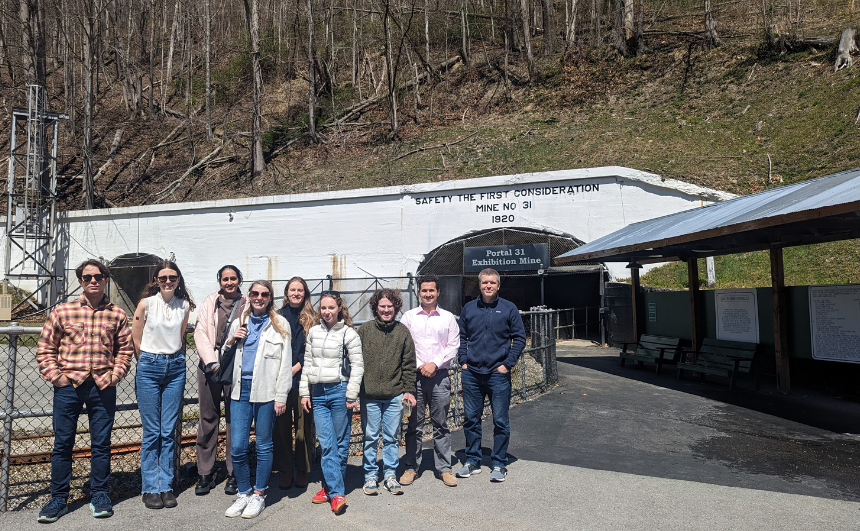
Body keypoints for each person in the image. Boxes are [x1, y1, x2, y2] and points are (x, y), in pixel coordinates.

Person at [35, 259, 134, 523]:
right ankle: (58, 498)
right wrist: (57, 378)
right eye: (88, 276)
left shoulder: (117, 314)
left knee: (101, 444)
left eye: (99, 276)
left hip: (102, 386)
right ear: (80, 280)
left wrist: (116, 375)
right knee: (63, 443)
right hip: (69, 386)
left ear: (106, 280)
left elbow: (125, 349)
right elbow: (45, 348)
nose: (94, 280)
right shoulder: (62, 312)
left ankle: (100, 494)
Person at [223, 280, 293, 519]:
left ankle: (259, 494)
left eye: (264, 294)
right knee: (239, 446)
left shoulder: (279, 324)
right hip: (239, 391)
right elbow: (224, 354)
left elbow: (285, 363)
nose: (259, 297)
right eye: (255, 293)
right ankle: (243, 492)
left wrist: (281, 396)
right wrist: (233, 339)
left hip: (266, 392)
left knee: (264, 445)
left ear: (270, 298)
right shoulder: (238, 322)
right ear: (249, 296)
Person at [132, 261, 195, 509]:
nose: (168, 281)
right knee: (152, 432)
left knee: (168, 430)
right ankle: (150, 487)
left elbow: (179, 336)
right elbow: (136, 336)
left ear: (178, 279)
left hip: (176, 367)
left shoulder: (184, 306)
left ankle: (166, 486)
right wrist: (147, 361)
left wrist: (169, 358)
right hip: (149, 366)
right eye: (163, 277)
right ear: (156, 280)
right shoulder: (146, 304)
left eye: (172, 277)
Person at [455, 268, 526, 483]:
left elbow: (519, 338)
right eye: (485, 282)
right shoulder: (469, 308)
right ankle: (473, 460)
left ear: (498, 286)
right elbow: (462, 337)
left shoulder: (508, 308)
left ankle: (498, 462)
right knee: (471, 420)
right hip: (472, 374)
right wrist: (463, 361)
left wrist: (507, 364)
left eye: (492, 283)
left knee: (501, 421)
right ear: (479, 285)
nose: (488, 286)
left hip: (498, 374)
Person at [300, 290, 363, 515]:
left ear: (339, 309)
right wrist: (304, 393)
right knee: (328, 444)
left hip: (339, 391)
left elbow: (357, 366)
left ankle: (330, 488)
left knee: (341, 442)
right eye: (323, 308)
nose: (327, 312)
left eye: (331, 308)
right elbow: (308, 362)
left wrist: (351, 394)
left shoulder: (348, 334)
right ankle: (337, 493)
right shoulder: (314, 332)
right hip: (317, 393)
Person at [399, 274, 460, 488]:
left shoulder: (448, 318)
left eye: (431, 290)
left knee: (441, 424)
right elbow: (403, 344)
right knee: (413, 424)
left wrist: (433, 363)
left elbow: (452, 346)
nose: (427, 294)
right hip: (412, 378)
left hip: (440, 377)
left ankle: (444, 468)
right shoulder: (408, 317)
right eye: (424, 290)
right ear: (419, 292)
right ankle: (410, 467)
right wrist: (420, 365)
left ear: (438, 292)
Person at [193, 265, 247, 496]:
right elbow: (200, 333)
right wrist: (211, 362)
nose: (229, 282)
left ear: (239, 280)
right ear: (219, 281)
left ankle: (234, 472)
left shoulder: (246, 302)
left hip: (236, 364)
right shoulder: (209, 302)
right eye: (225, 279)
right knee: (208, 417)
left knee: (235, 418)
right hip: (209, 365)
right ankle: (205, 472)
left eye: (233, 278)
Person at [358, 288, 416, 496]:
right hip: (369, 395)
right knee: (371, 436)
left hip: (394, 395)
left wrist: (409, 390)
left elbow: (409, 364)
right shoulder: (364, 331)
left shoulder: (402, 332)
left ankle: (390, 474)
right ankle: (370, 476)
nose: (386, 310)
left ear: (396, 307)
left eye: (390, 306)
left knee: (392, 436)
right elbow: (355, 362)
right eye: (382, 306)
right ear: (375, 308)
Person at [272, 277, 316, 490]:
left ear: (305, 293)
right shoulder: (277, 317)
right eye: (292, 290)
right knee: (280, 427)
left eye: (300, 290)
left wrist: (295, 368)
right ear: (286, 293)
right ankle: (286, 469)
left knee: (302, 426)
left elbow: (312, 350)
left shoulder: (313, 318)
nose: (296, 293)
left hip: (303, 380)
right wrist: (283, 372)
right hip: (279, 380)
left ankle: (302, 469)